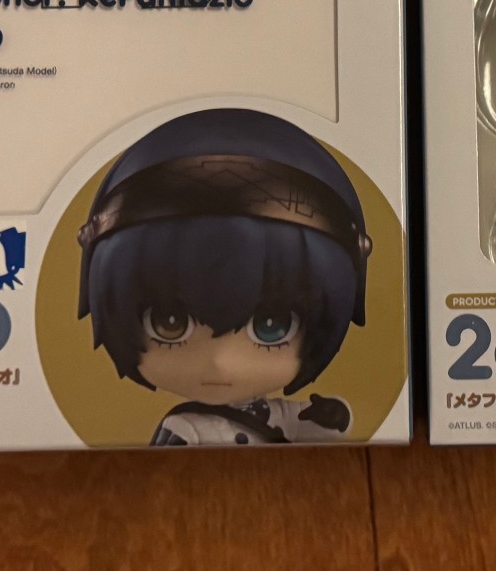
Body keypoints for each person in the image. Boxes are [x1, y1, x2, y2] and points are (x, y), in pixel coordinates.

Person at [76, 108, 370, 445]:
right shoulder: (184, 432)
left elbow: (316, 428)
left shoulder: (276, 414)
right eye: (169, 322)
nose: (221, 362)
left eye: (271, 325)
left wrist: (331, 416)